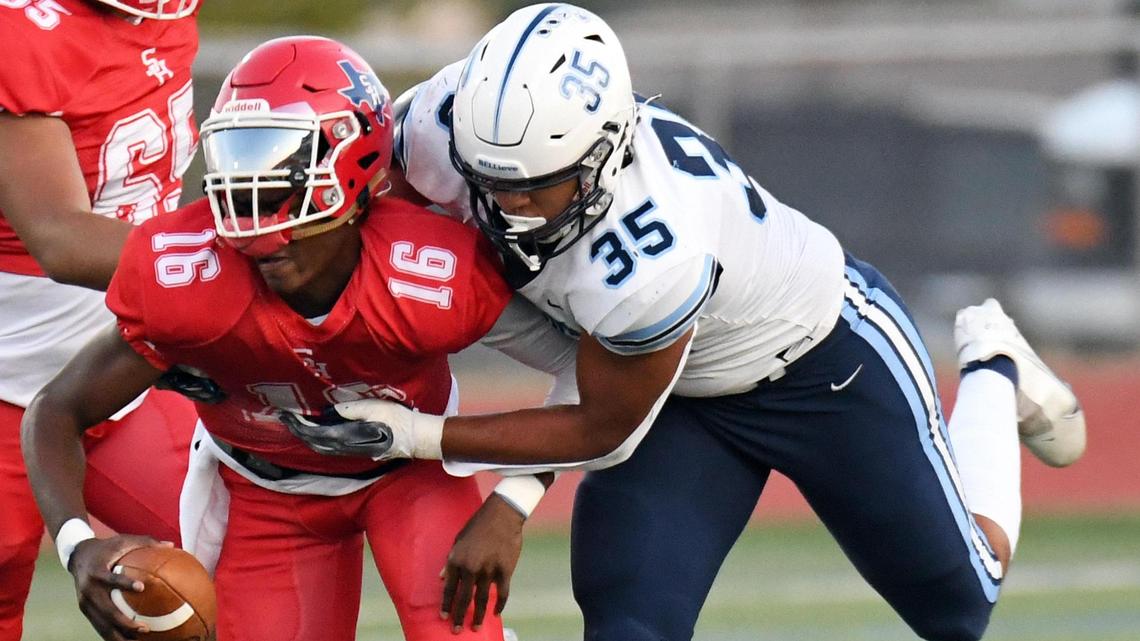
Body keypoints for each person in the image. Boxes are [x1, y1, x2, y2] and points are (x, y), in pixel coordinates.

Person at [294, 5, 1089, 641]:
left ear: (601, 154)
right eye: (488, 178)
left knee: (962, 604)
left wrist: (436, 448)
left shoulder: (654, 252)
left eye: (534, 186)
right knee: (630, 622)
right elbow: (348, 202)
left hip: (819, 363)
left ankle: (994, 363)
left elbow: (603, 424)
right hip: (674, 400)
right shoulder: (445, 123)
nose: (506, 205)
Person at [20, 36, 570, 641]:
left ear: (358, 171)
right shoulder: (187, 274)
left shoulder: (432, 271)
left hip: (407, 475)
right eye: (240, 168)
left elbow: (585, 380)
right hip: (266, 492)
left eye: (280, 177)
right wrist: (76, 543)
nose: (255, 216)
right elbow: (57, 408)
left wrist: (514, 500)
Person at [0, 2, 201, 639]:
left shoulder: (168, 18)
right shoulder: (22, 31)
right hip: (7, 371)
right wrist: (229, 258)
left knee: (239, 552)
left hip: (123, 363)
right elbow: (58, 238)